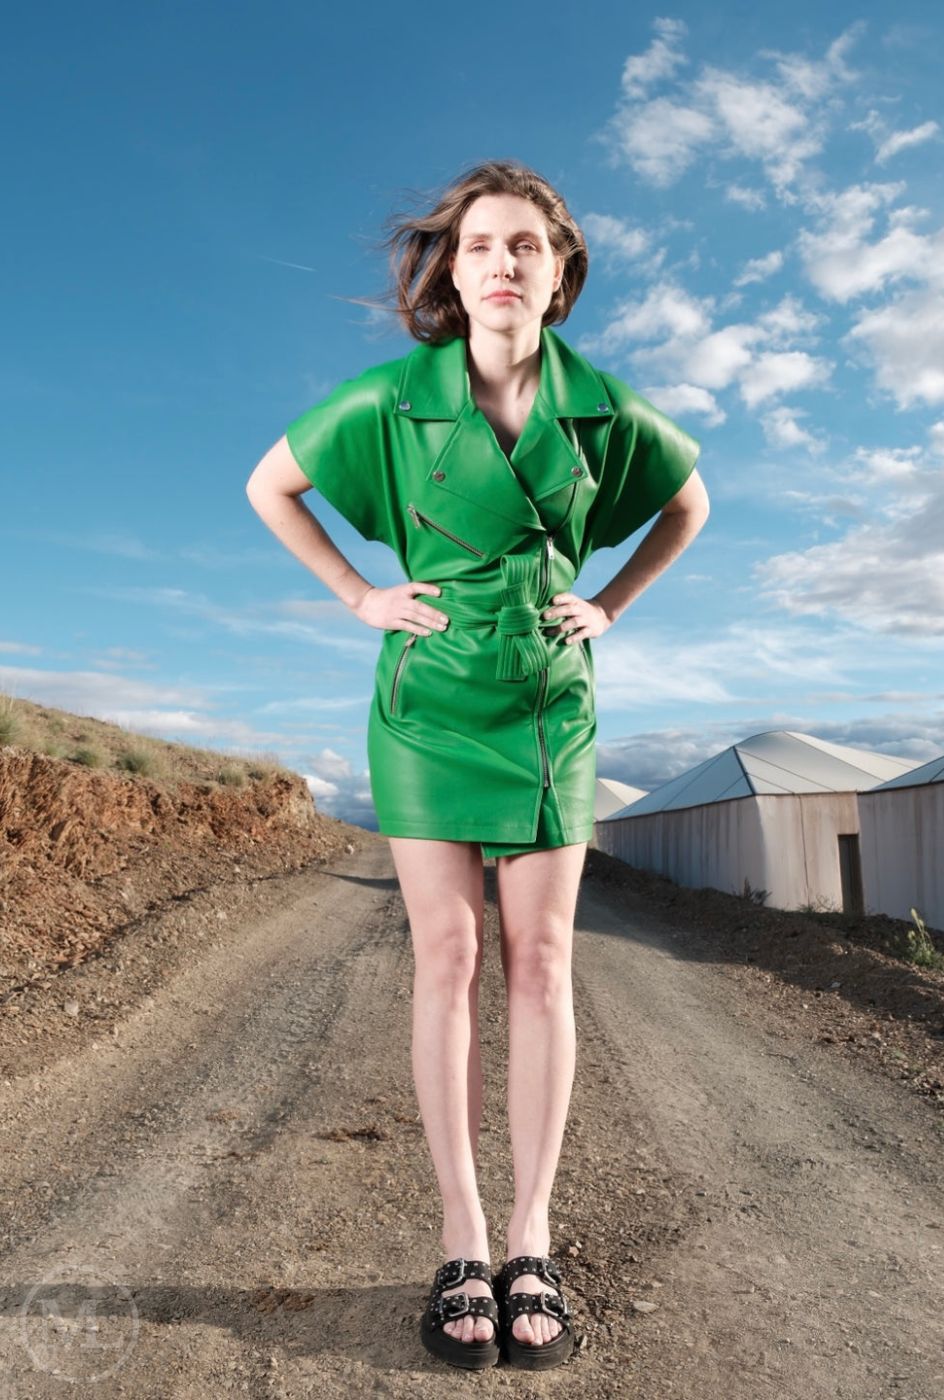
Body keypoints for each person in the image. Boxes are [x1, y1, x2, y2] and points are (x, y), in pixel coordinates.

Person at [246, 158, 710, 1371]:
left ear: (559, 276)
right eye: (481, 245)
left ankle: (532, 1233)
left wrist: (608, 602)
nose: (503, 264)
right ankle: (459, 1233)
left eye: (527, 247)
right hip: (426, 701)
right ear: (450, 271)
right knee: (446, 955)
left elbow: (688, 505)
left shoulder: (604, 405)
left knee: (542, 959)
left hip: (550, 702)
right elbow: (269, 484)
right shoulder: (392, 398)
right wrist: (357, 592)